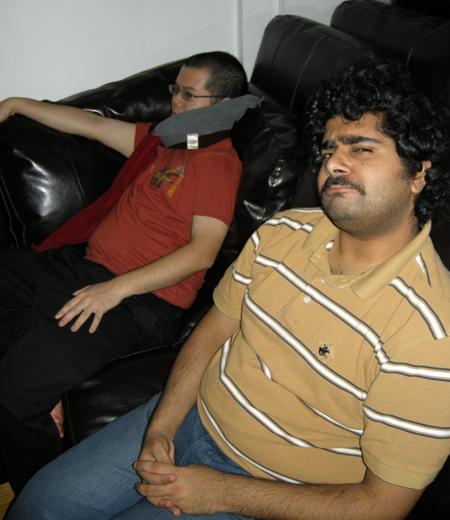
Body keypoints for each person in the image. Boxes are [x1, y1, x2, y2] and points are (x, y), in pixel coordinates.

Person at [7, 57, 450, 520]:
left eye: (361, 149)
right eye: (328, 148)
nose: (334, 162)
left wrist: (221, 493)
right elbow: (213, 331)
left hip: (272, 489)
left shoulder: (430, 334)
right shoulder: (282, 232)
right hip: (190, 418)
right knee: (37, 508)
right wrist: (162, 425)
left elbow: (384, 506)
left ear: (419, 172)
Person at [0, 51, 258, 493]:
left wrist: (114, 290)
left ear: (223, 104)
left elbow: (202, 252)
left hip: (138, 302)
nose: (176, 102)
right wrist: (16, 104)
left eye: (189, 94)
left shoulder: (216, 162)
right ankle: (43, 386)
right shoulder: (168, 141)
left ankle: (39, 496)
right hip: (85, 269)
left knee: (11, 394)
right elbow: (93, 126)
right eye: (175, 90)